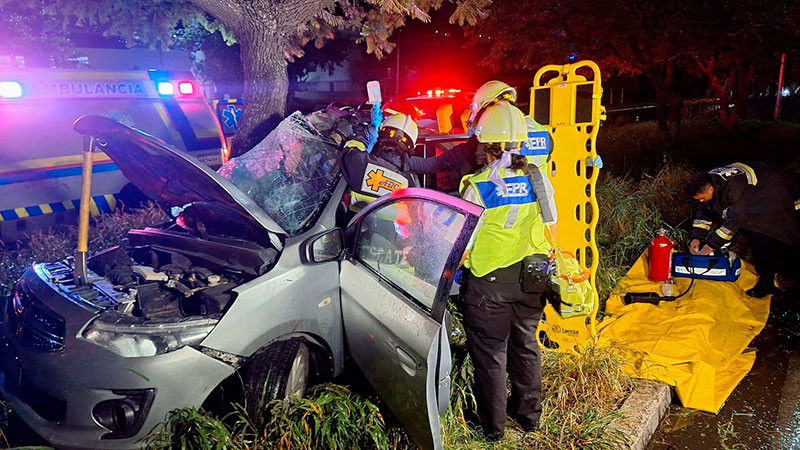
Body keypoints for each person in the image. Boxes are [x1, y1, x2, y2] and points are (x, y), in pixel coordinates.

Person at [458, 100, 554, 441]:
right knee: (526, 345)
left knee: (491, 357)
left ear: (486, 145)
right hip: (533, 279)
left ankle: (493, 431)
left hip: (490, 286)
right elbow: (550, 226)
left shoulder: (479, 186)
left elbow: (462, 245)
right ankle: (530, 417)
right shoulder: (539, 178)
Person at [407, 80, 558, 229]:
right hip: (536, 224)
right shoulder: (543, 133)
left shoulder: (482, 150)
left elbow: (430, 165)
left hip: (492, 229)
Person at [686, 162, 800, 297]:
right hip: (758, 192)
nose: (701, 202)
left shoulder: (733, 189)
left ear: (710, 189)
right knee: (760, 242)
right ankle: (770, 280)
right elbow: (704, 212)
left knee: (774, 241)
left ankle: (782, 284)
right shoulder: (707, 182)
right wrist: (696, 238)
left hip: (776, 193)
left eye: (702, 199)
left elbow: (733, 223)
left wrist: (709, 247)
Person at [341, 112, 420, 212]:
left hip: (349, 223)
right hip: (384, 227)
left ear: (380, 136)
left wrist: (367, 133)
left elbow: (349, 148)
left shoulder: (360, 162)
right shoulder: (410, 183)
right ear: (411, 148)